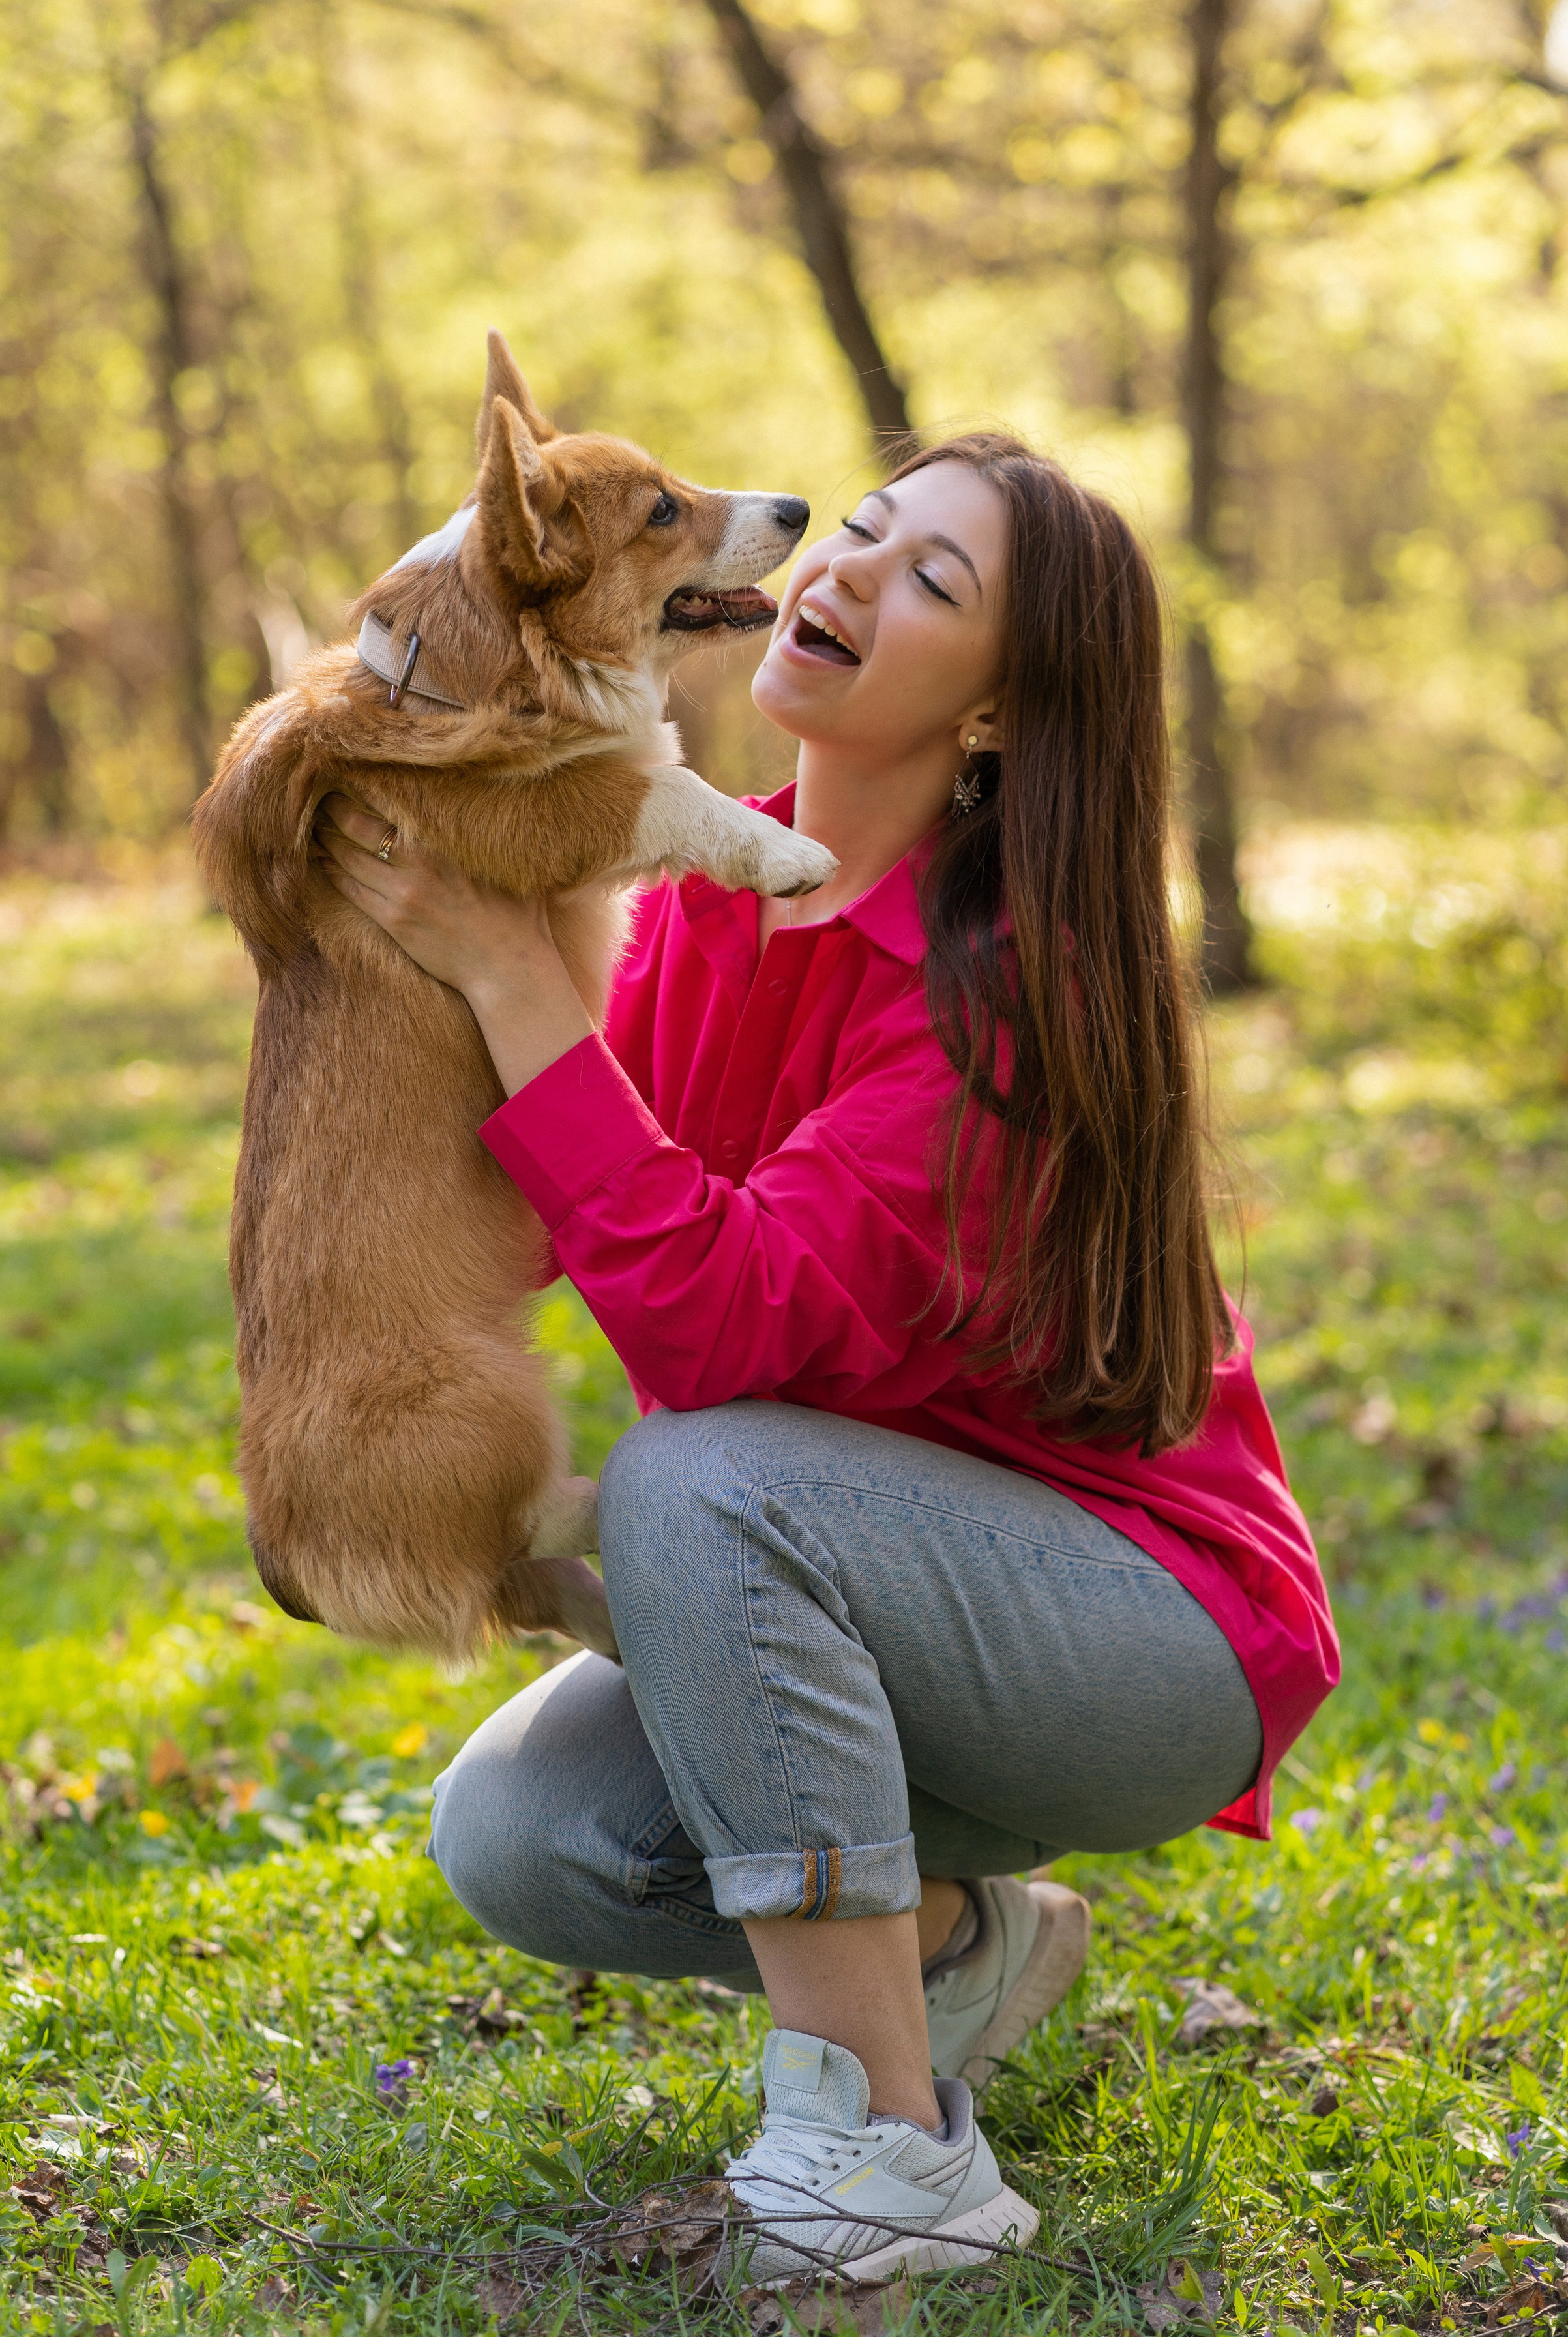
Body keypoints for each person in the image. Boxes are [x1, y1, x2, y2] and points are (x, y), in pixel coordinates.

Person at [317, 432, 1340, 2287]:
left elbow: (711, 1333)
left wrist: (508, 973)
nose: (851, 570)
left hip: (1142, 1633)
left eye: (933, 581)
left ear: (1010, 713)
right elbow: (547, 1206)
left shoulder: (1014, 976)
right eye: (865, 530)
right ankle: (957, 1949)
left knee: (697, 1472)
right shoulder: (700, 908)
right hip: (870, 1597)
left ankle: (891, 2157)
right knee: (526, 1830)